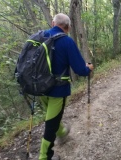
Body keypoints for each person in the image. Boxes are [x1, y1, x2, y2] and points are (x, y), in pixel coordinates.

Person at [38, 13, 94, 160]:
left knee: (51, 116)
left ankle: (62, 131)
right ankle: (45, 156)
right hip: (57, 90)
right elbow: (80, 69)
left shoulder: (40, 37)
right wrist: (89, 68)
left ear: (53, 23)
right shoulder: (66, 42)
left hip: (39, 88)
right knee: (51, 123)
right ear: (68, 27)